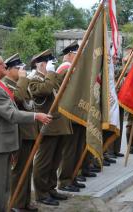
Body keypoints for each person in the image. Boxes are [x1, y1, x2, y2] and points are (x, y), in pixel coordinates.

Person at [0, 53, 51, 212]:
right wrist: (36, 116)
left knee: (3, 188)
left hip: (2, 143)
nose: (4, 65)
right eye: (0, 63)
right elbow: (11, 113)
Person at [29, 49, 73, 206]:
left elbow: (61, 87)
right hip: (46, 125)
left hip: (58, 123)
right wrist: (50, 73)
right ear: (41, 65)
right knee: (44, 161)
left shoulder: (49, 77)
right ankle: (41, 193)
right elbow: (46, 90)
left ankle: (51, 188)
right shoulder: (33, 79)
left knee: (55, 160)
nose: (51, 66)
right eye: (48, 63)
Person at [2, 53, 38, 212]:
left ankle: (24, 202)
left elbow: (30, 103)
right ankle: (16, 203)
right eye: (17, 68)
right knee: (19, 171)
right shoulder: (7, 85)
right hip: (19, 134)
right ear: (8, 70)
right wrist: (23, 79)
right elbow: (18, 98)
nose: (21, 70)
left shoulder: (19, 83)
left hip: (28, 132)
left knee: (27, 169)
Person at [54, 42, 88, 192]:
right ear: (68, 54)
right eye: (76, 53)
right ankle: (65, 180)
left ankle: (72, 177)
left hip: (78, 112)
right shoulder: (65, 68)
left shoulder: (73, 67)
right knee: (69, 150)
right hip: (69, 114)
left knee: (77, 148)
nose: (79, 55)